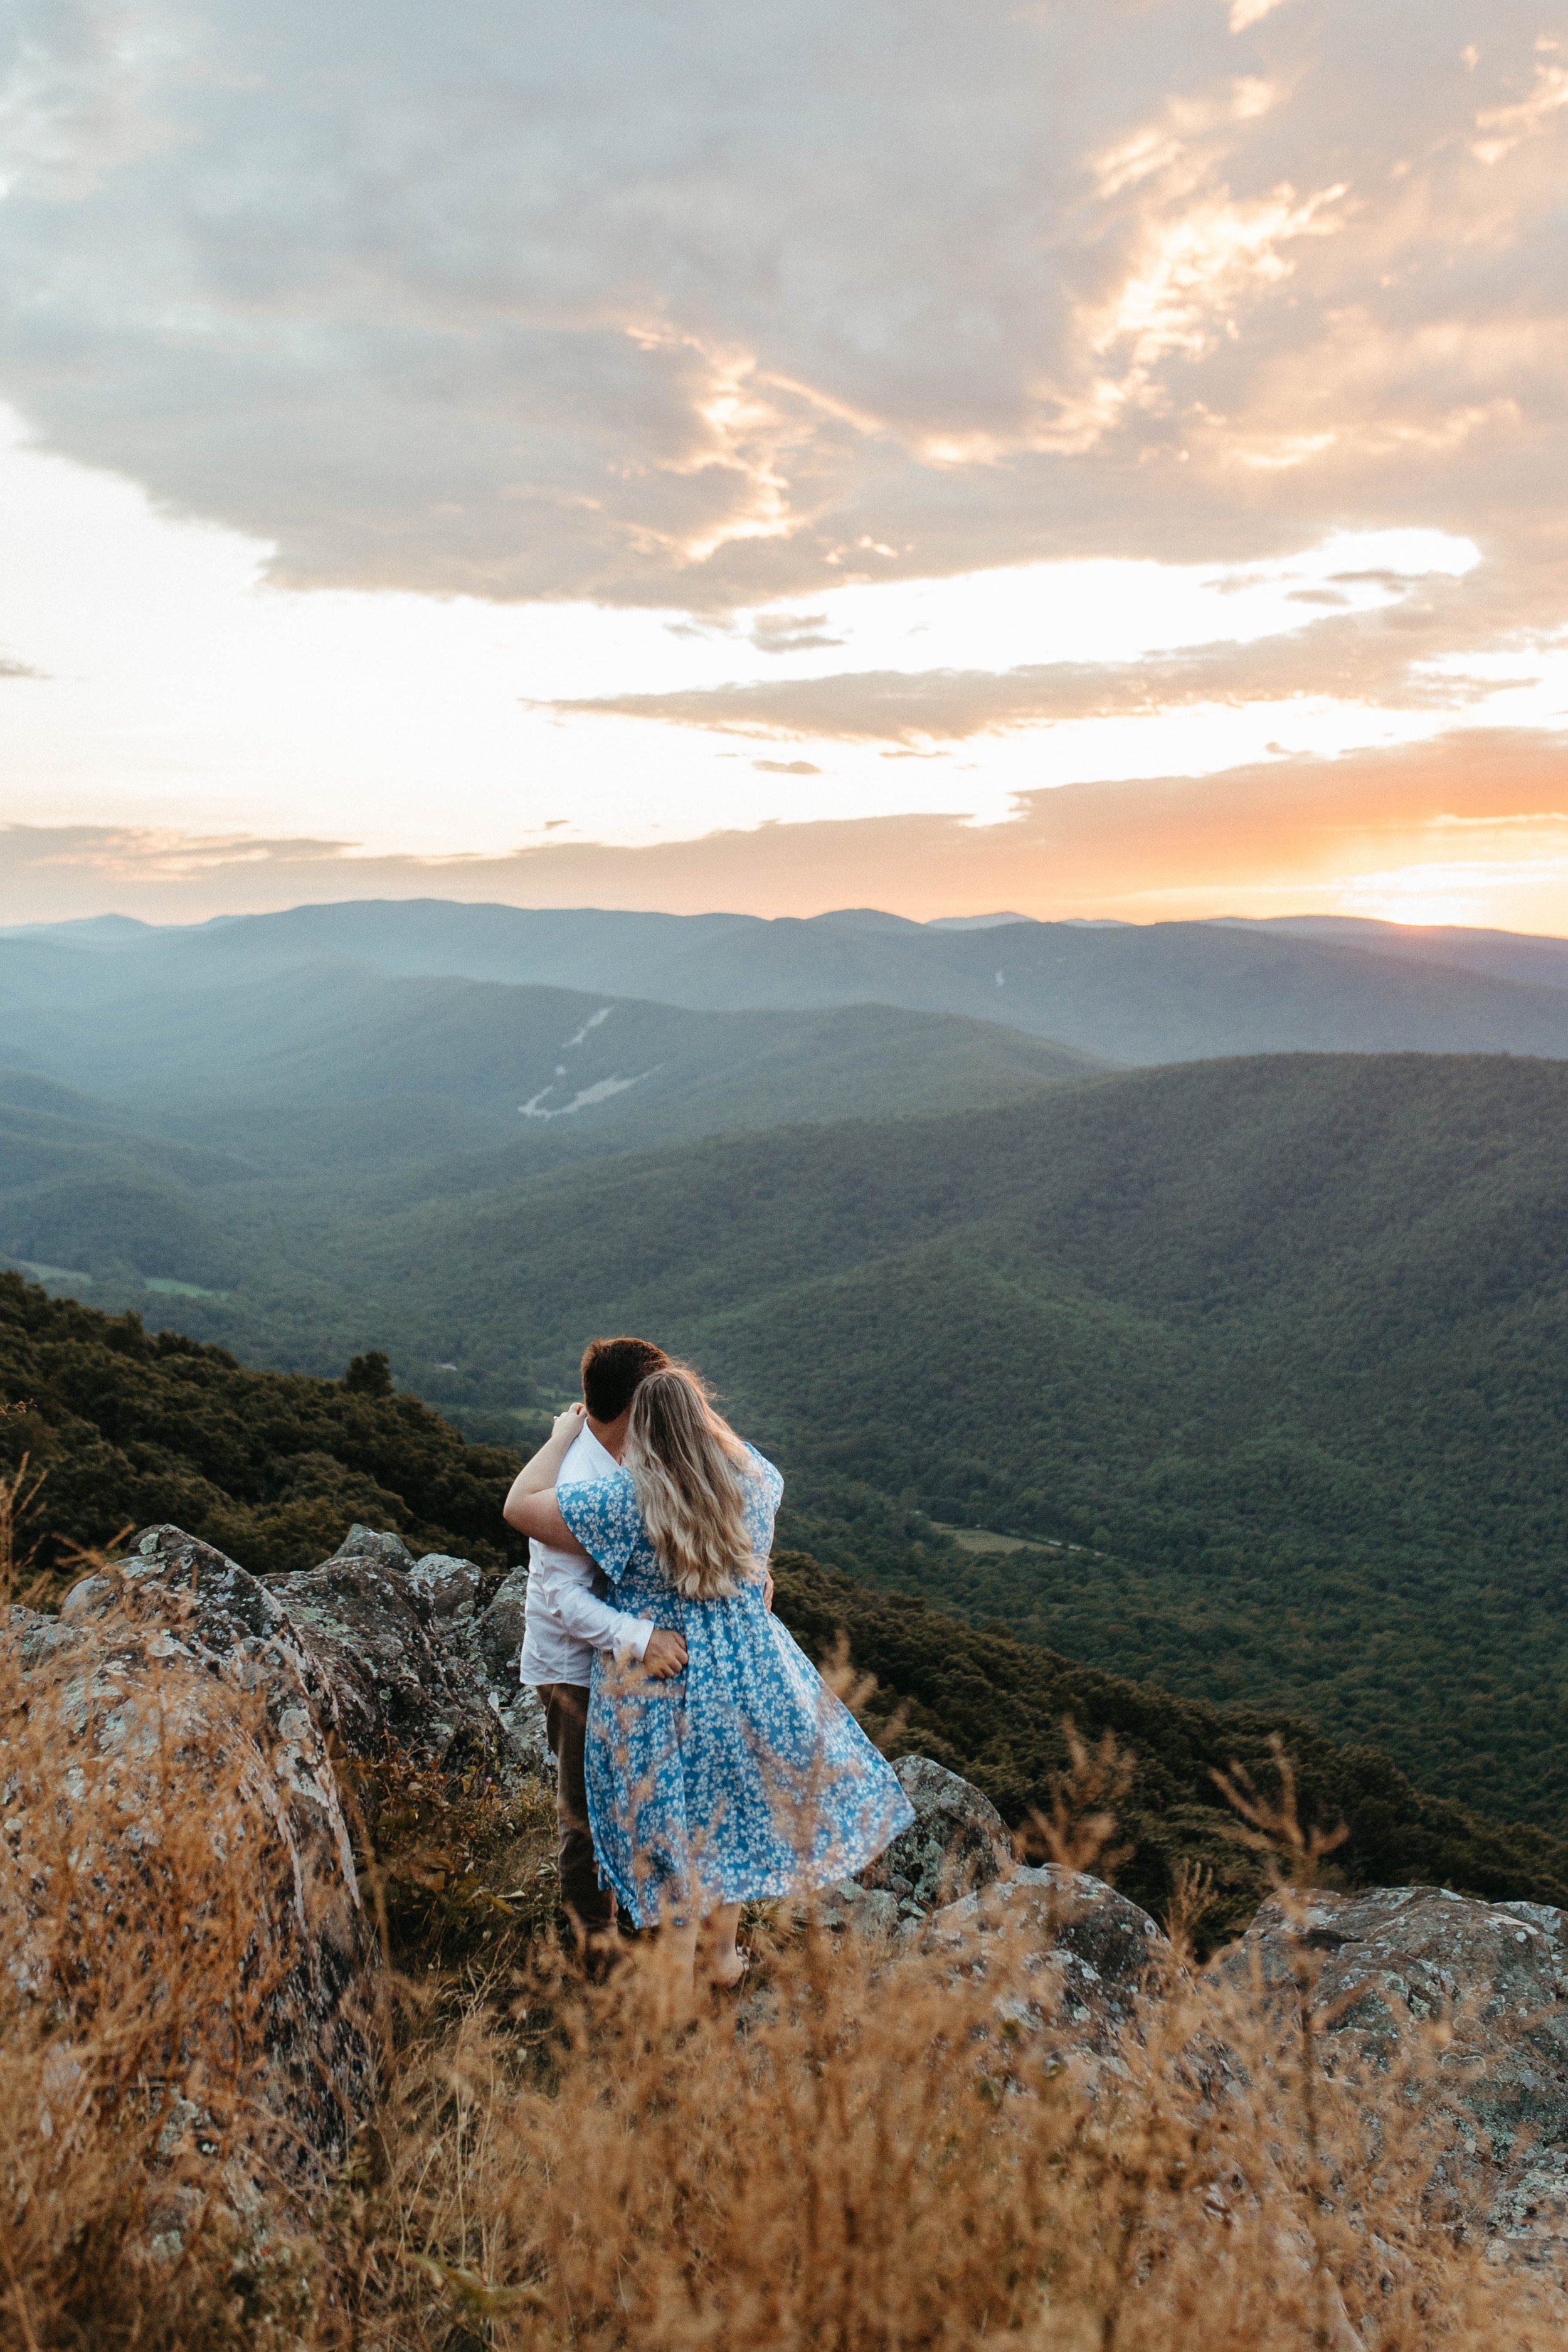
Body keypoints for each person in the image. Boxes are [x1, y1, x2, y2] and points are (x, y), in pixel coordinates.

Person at [506, 1362, 914, 1991]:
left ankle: (669, 1995)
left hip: (664, 1684)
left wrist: (564, 1435)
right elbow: (753, 1553)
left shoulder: (623, 1500)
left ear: (641, 1428)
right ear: (702, 1415)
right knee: (727, 1822)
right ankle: (722, 1963)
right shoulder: (756, 1478)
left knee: (675, 1836)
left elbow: (519, 1507)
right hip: (749, 1674)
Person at [505, 1335, 688, 1949]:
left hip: (619, 1668)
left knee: (634, 1806)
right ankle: (592, 1952)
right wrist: (644, 1638)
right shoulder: (575, 1475)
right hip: (577, 1672)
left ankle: (640, 1935)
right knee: (586, 1818)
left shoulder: (632, 1454)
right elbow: (563, 1600)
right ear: (636, 1408)